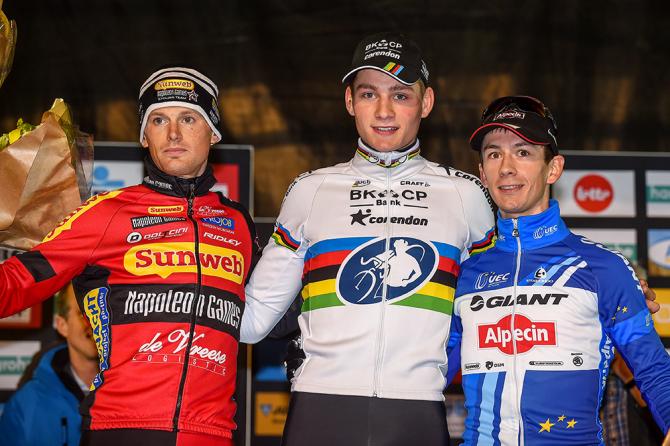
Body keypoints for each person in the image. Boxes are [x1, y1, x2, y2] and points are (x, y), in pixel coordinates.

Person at [240, 32, 497, 445]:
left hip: (418, 407)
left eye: (400, 95)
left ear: (426, 103)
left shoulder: (466, 195)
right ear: (349, 102)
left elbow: (504, 295)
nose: (383, 111)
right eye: (368, 94)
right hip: (319, 405)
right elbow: (251, 321)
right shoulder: (312, 190)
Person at [0, 66, 257, 446]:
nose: (173, 133)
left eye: (188, 118)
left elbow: (277, 311)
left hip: (212, 433)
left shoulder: (239, 224)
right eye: (158, 120)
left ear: (213, 132)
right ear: (144, 136)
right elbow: (13, 286)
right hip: (120, 429)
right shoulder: (106, 214)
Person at [449, 95, 670, 445]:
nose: (506, 166)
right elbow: (427, 375)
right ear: (481, 172)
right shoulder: (464, 274)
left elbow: (655, 370)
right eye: (494, 154)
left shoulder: (603, 267)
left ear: (553, 168)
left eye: (523, 152)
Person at [0, 283, 98, 446]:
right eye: (84, 313)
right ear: (62, 325)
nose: (95, 322)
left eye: (102, 313)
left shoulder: (137, 392)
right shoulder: (27, 403)